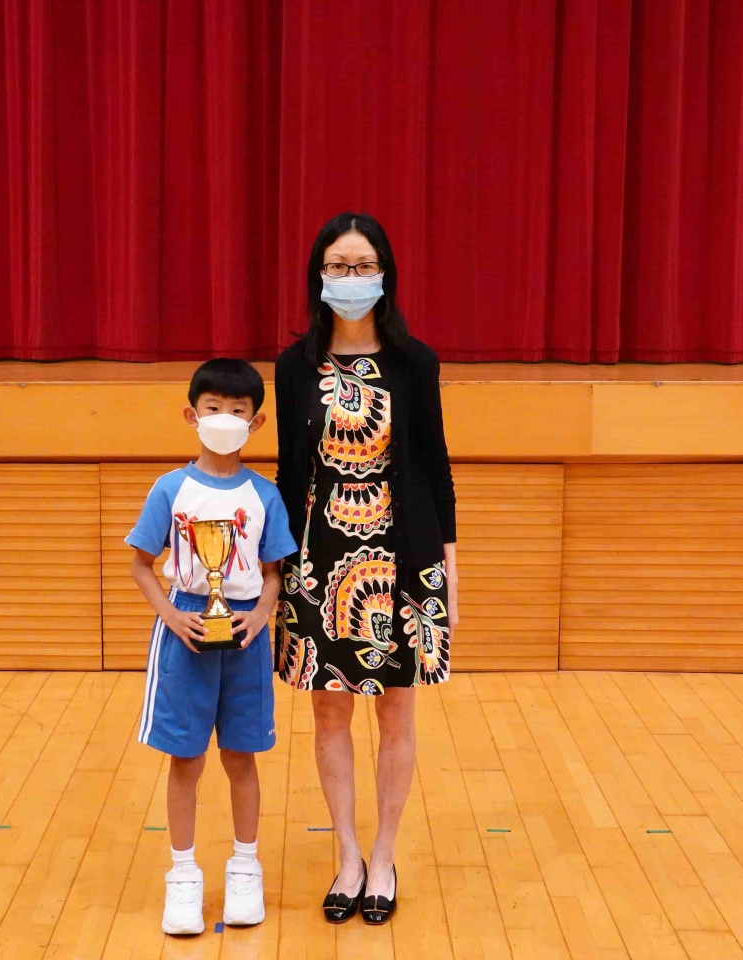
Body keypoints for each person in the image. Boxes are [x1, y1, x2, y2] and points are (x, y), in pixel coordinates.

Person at [274, 212, 459, 925]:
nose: (350, 278)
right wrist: (277, 571)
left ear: (385, 275)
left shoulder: (416, 363)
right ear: (318, 276)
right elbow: (290, 473)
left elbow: (436, 469)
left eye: (362, 266)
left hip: (405, 556)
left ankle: (384, 854)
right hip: (318, 561)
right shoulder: (295, 366)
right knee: (328, 710)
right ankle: (347, 855)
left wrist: (450, 571)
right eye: (337, 267)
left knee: (397, 709)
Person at [127, 358, 298, 936]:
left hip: (245, 631)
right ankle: (183, 875)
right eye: (214, 408)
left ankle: (245, 868)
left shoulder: (265, 494)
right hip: (188, 628)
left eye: (238, 410)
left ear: (257, 422)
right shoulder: (170, 489)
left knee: (241, 755)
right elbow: (141, 564)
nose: (225, 418)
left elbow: (274, 572)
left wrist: (262, 615)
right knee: (187, 757)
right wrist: (173, 615)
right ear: (191, 415)